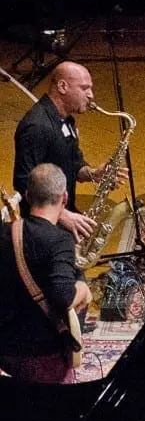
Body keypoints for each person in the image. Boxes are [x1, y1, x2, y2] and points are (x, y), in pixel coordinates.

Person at [0, 164, 91, 384]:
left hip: (7, 349)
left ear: (28, 196)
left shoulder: (4, 232)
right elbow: (62, 297)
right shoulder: (59, 240)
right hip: (44, 353)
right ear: (65, 198)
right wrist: (83, 290)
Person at [12, 62, 108, 243]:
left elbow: (72, 162)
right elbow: (23, 182)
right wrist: (62, 215)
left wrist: (92, 173)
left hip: (61, 212)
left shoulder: (65, 120)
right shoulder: (37, 126)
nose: (91, 96)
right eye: (84, 88)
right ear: (62, 86)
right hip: (44, 226)